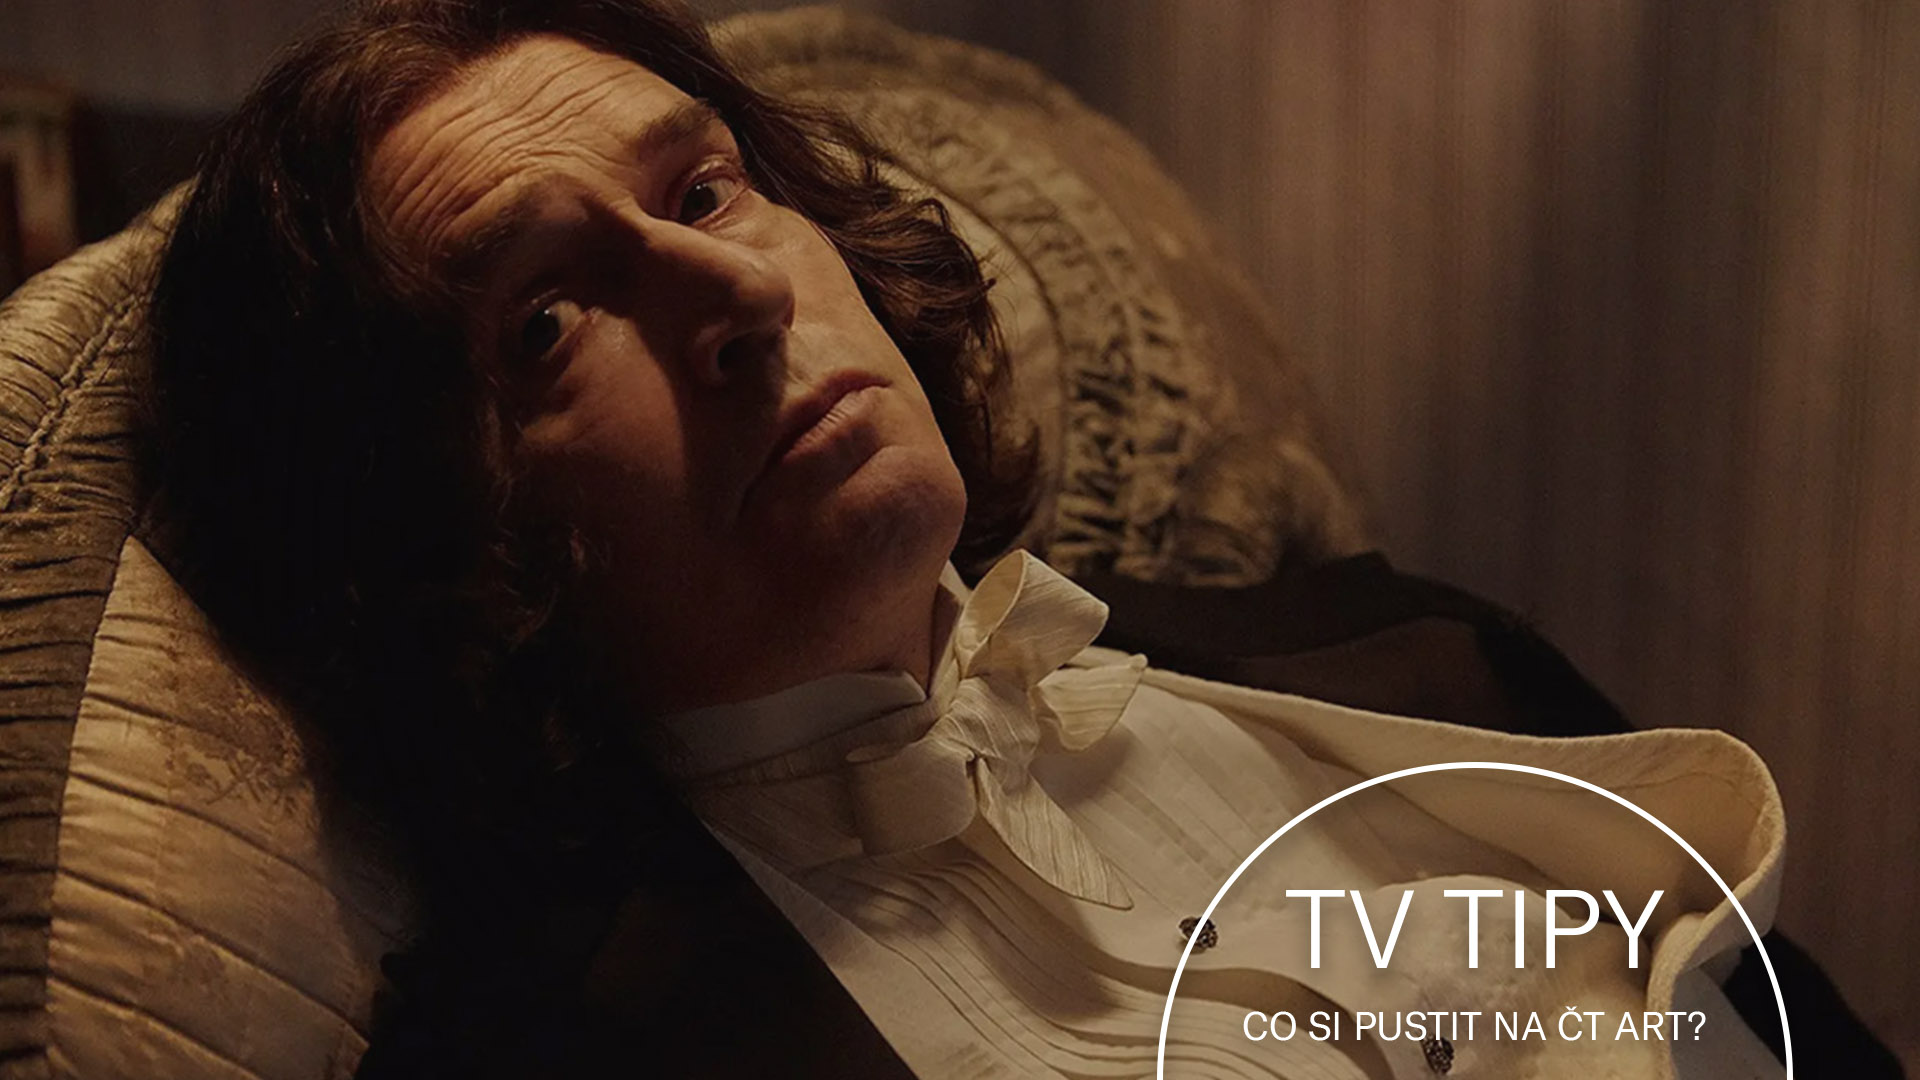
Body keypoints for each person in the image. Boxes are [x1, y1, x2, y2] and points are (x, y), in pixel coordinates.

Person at [142, 1, 1880, 1077]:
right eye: (544, 321)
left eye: (706, 191)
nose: (736, 293)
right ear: (426, 523)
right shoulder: (564, 1043)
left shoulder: (1411, 647)